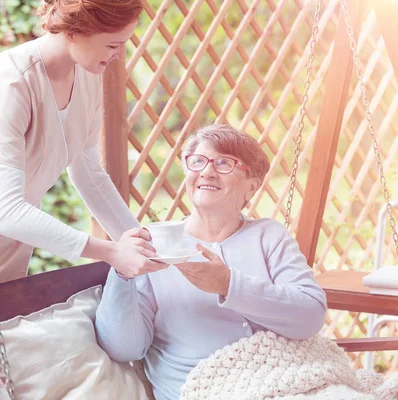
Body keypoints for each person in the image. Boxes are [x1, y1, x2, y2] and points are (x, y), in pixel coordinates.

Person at [95, 124, 328, 400]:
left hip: (284, 379)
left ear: (251, 185)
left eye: (223, 163)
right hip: (203, 389)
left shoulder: (269, 236)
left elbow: (310, 316)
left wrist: (228, 284)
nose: (206, 171)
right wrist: (122, 272)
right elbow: (124, 347)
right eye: (197, 161)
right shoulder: (153, 245)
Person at [0, 0, 165, 283]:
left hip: (11, 247)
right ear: (74, 31)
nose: (120, 55)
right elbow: (7, 209)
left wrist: (146, 249)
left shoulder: (87, 76)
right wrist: (111, 252)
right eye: (113, 45)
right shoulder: (12, 83)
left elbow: (88, 173)